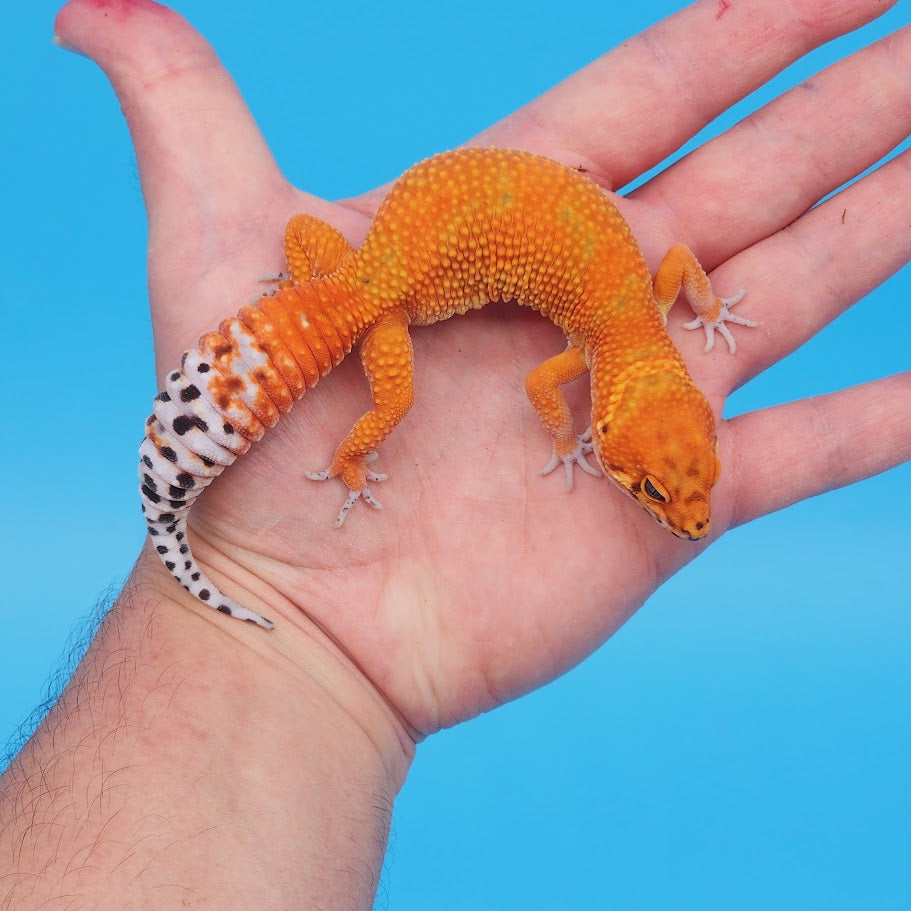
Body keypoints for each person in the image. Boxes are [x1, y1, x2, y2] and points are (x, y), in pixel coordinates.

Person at [1, 0, 908, 907]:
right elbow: (564, 370)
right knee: (390, 395)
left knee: (335, 309)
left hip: (380, 246)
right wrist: (626, 386)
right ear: (617, 422)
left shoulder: (626, 306)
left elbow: (668, 272)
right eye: (652, 484)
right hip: (395, 290)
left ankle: (287, 382)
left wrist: (306, 294)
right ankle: (350, 463)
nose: (687, 514)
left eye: (671, 487)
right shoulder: (612, 326)